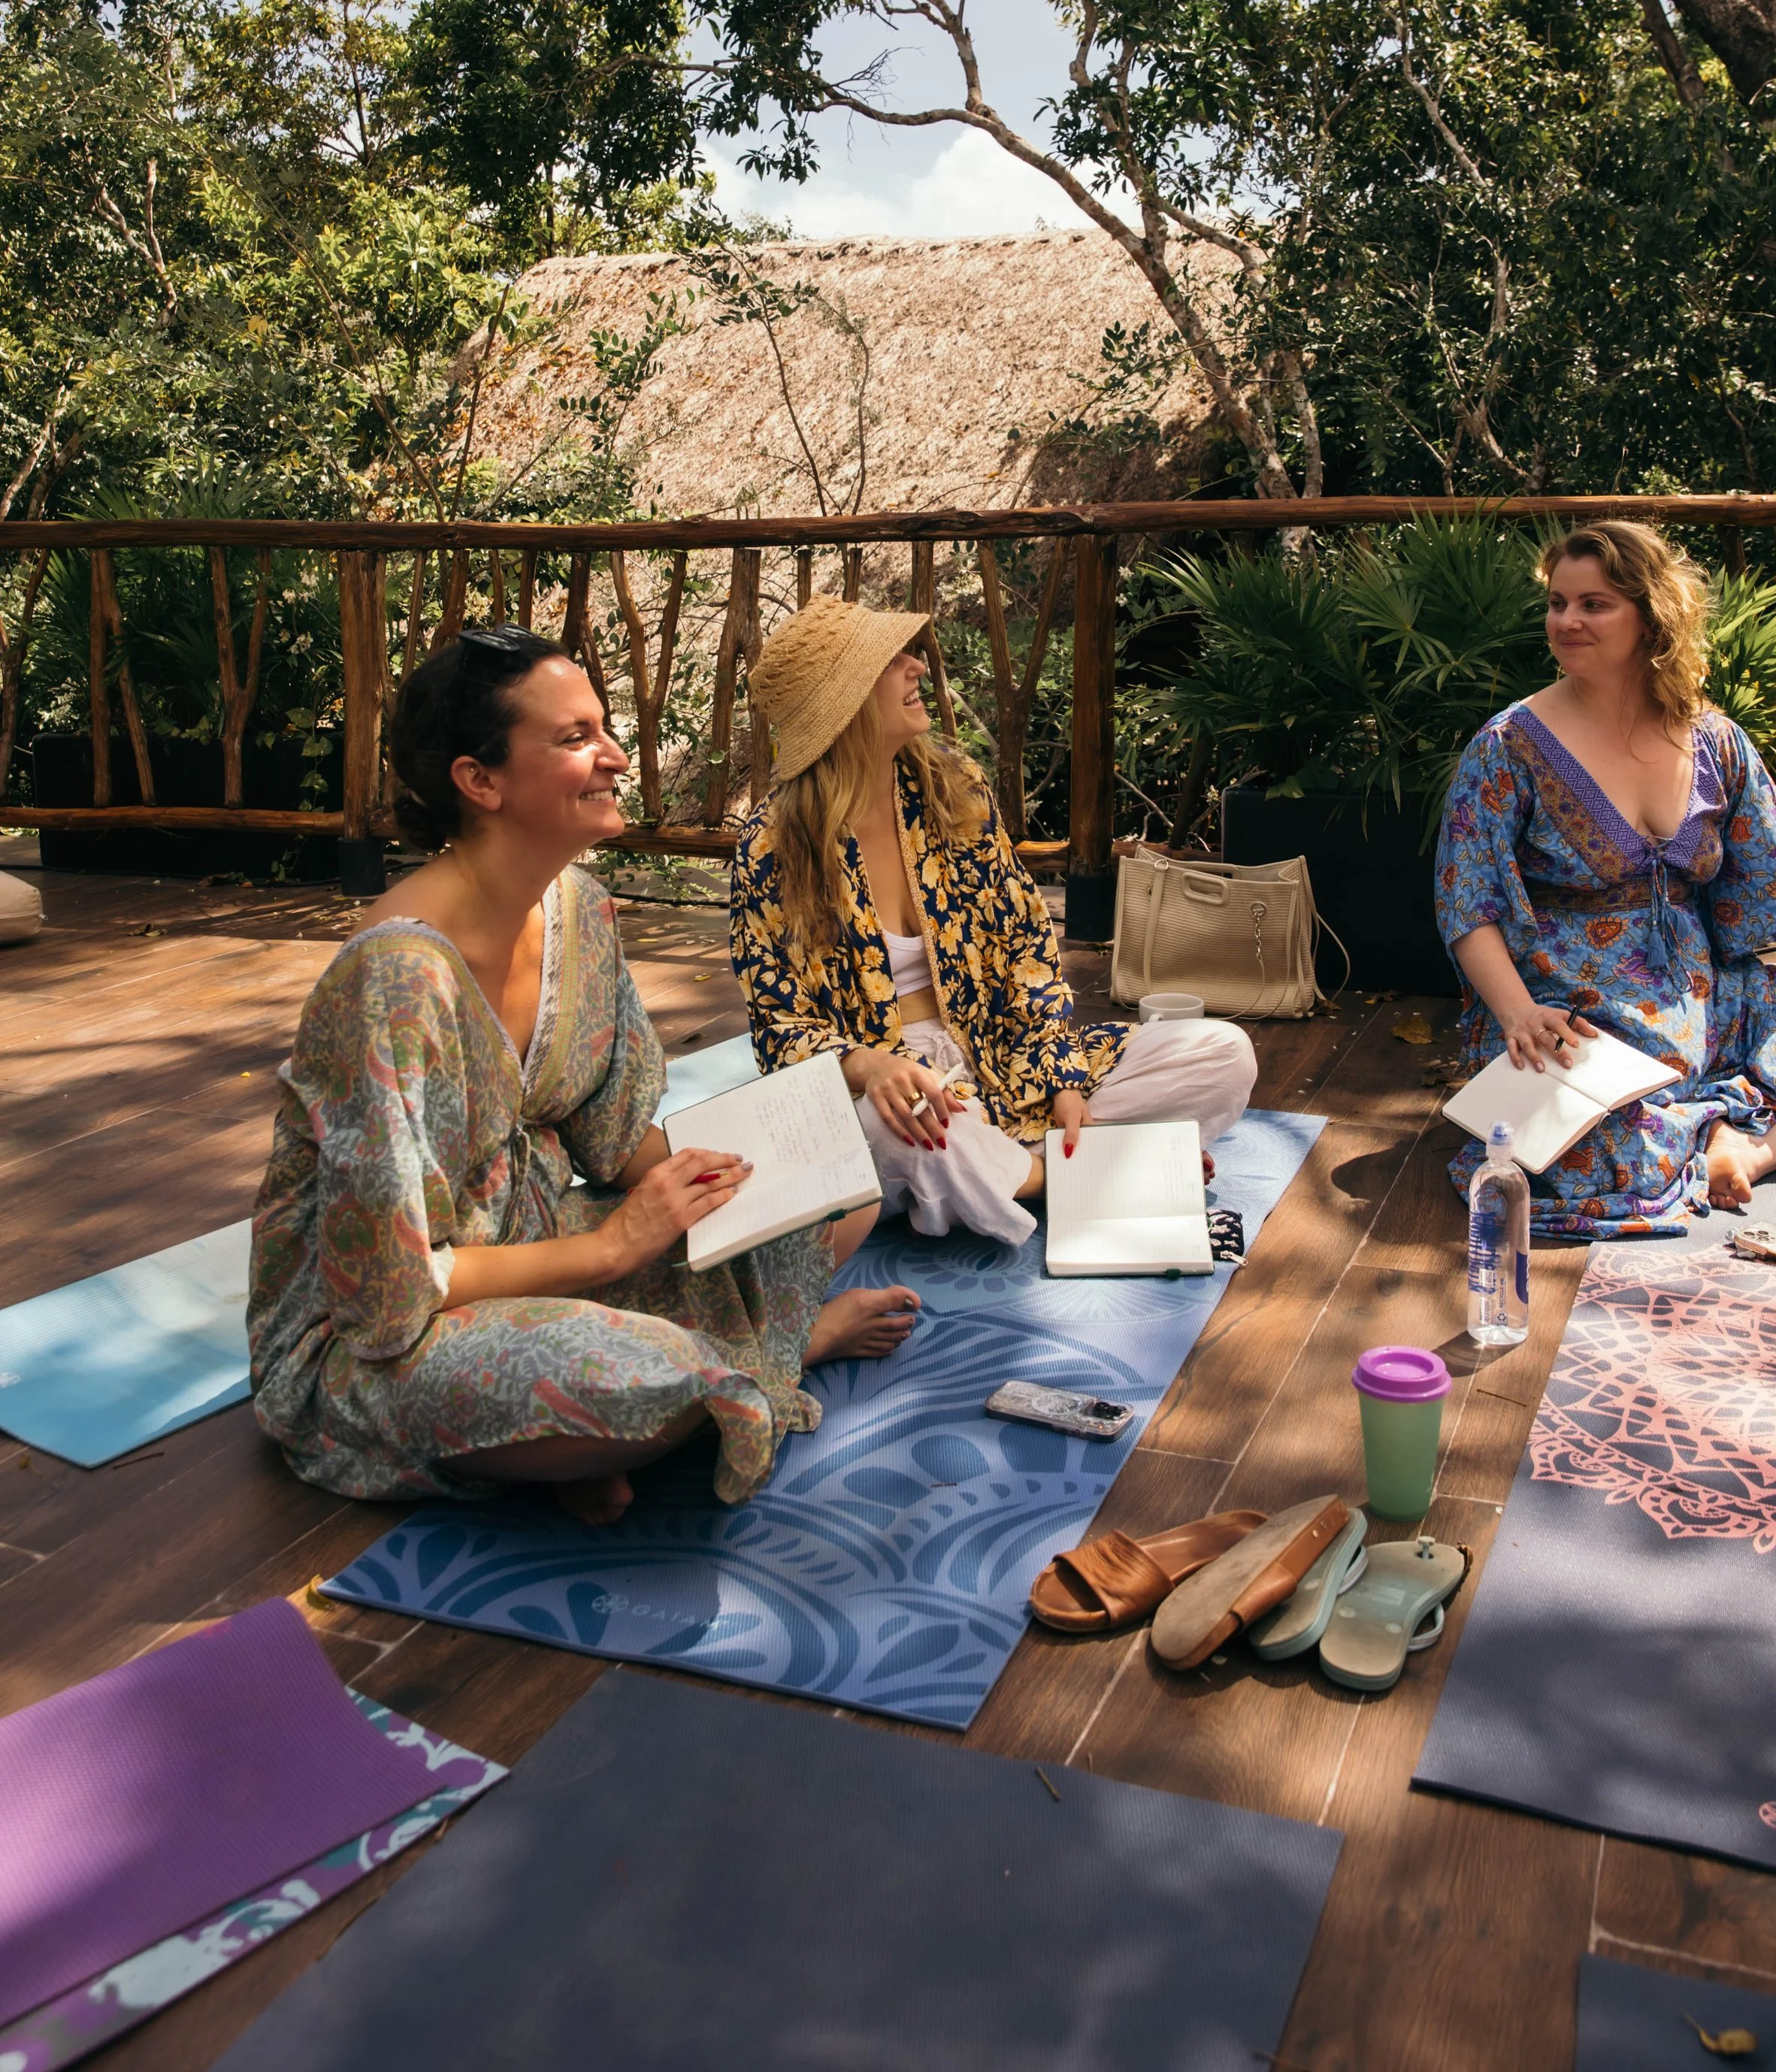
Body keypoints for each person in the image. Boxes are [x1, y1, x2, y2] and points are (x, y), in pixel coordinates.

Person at [248, 625, 916, 1526]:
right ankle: (755, 1359)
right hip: (381, 1340)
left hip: (539, 1246)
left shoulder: (577, 908)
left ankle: (571, 1441)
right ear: (478, 781)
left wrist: (751, 1178)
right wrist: (615, 1247)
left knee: (838, 1196)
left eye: (602, 729)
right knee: (634, 1377)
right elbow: (385, 1298)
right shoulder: (394, 983)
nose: (614, 758)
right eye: (573, 739)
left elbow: (611, 1141)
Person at [728, 596, 1258, 1242]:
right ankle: (1074, 1176)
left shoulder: (956, 791)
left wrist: (1060, 1076)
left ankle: (1016, 1173)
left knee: (1222, 1052)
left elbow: (1027, 950)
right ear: (848, 703)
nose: (917, 666)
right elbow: (778, 1029)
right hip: (897, 1093)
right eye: (892, 662)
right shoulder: (772, 845)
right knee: (895, 1132)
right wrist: (869, 1066)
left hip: (1004, 1060)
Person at [1436, 521, 1776, 1226]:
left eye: (1594, 604)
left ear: (1651, 618)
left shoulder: (1714, 741)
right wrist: (1518, 1012)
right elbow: (1469, 905)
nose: (1567, 621)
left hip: (1707, 1000)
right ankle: (1720, 1126)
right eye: (1558, 603)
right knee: (1601, 1162)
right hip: (1573, 1012)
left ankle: (1757, 1147)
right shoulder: (1507, 746)